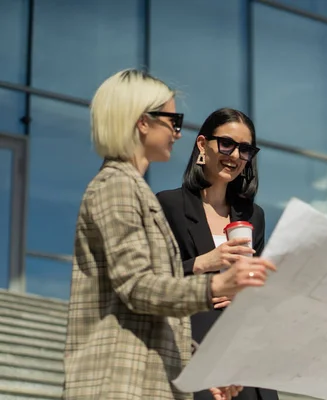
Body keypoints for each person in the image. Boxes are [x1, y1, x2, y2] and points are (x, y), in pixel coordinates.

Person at [64, 70, 275, 400]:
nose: (178, 133)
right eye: (173, 121)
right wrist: (216, 282)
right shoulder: (119, 187)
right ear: (142, 122)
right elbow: (139, 287)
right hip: (123, 378)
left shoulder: (135, 190)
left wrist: (200, 370)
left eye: (245, 149)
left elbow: (159, 310)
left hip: (165, 371)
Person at [156, 108, 278, 400]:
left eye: (245, 149)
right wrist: (204, 263)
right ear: (202, 145)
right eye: (226, 144)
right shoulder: (168, 205)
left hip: (244, 352)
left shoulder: (253, 216)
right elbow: (150, 282)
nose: (235, 155)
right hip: (193, 346)